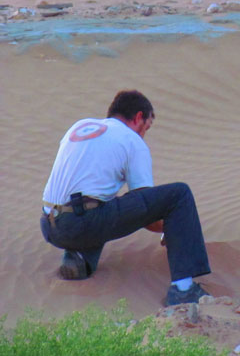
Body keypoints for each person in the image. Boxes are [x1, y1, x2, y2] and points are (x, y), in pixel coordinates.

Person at [40, 89, 212, 306]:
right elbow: (147, 215)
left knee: (101, 202)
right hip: (81, 223)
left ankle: (79, 259)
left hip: (49, 224)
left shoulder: (80, 126)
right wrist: (174, 227)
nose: (143, 134)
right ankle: (184, 288)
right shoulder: (132, 140)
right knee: (180, 194)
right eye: (146, 127)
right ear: (138, 117)